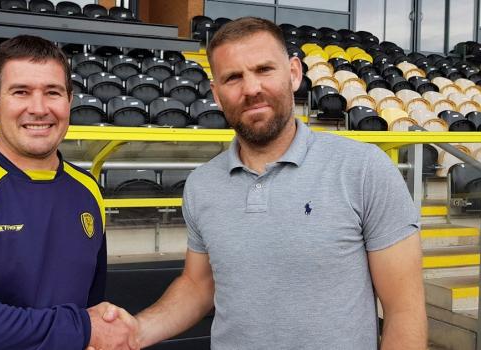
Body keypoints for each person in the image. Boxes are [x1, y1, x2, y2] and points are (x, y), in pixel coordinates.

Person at [100, 17, 426, 349]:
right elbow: (198, 285)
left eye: (264, 70)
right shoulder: (202, 185)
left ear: (294, 73)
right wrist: (136, 331)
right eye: (233, 77)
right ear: (216, 92)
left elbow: (404, 310)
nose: (251, 89)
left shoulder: (364, 169)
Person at [0, 35, 138, 350]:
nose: (39, 108)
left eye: (52, 92)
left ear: (69, 101)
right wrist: (84, 328)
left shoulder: (87, 189)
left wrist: (90, 329)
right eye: (21, 92)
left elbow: (91, 306)